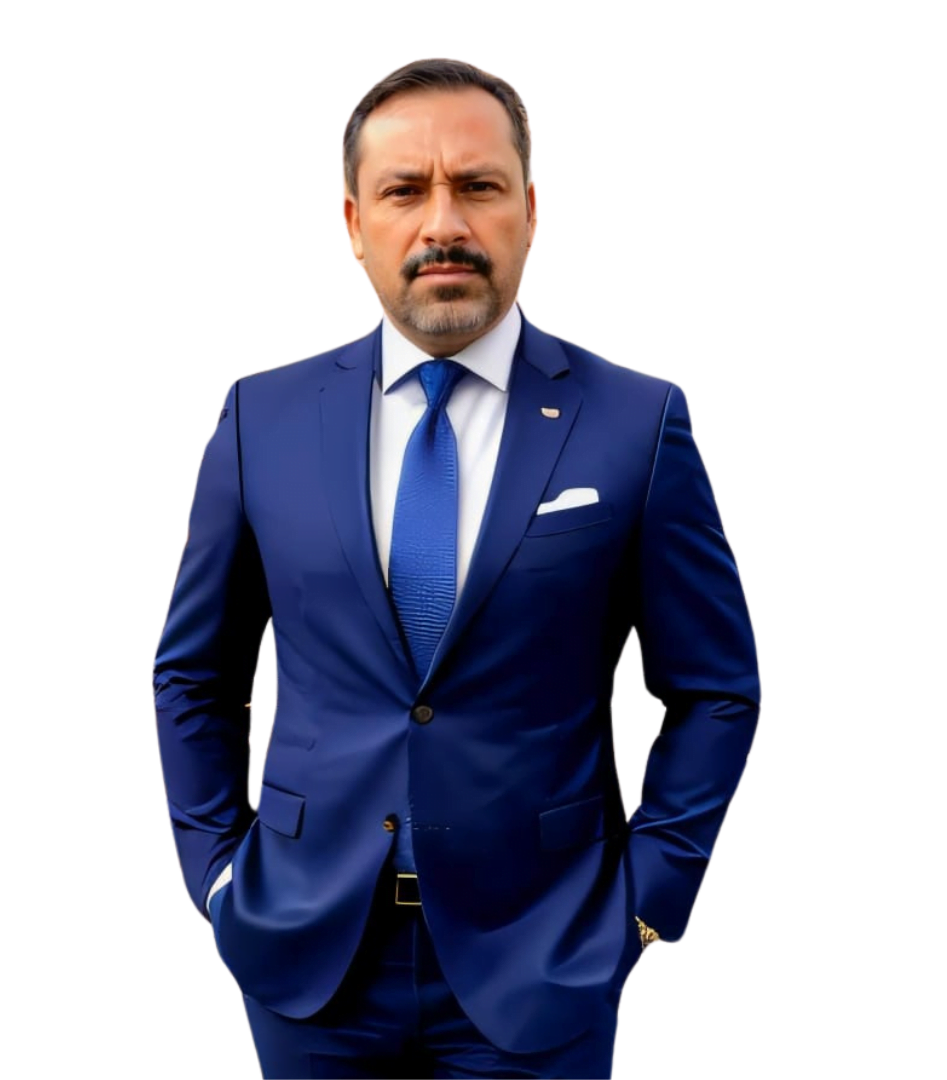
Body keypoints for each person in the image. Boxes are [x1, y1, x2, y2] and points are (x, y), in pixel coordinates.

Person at [151, 57, 760, 1079]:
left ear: (530, 211)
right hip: (306, 965)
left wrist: (644, 908)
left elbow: (716, 688)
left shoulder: (637, 422)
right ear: (354, 223)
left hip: (546, 960)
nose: (445, 224)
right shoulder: (260, 417)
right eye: (405, 190)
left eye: (478, 186)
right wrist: (217, 882)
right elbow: (191, 674)